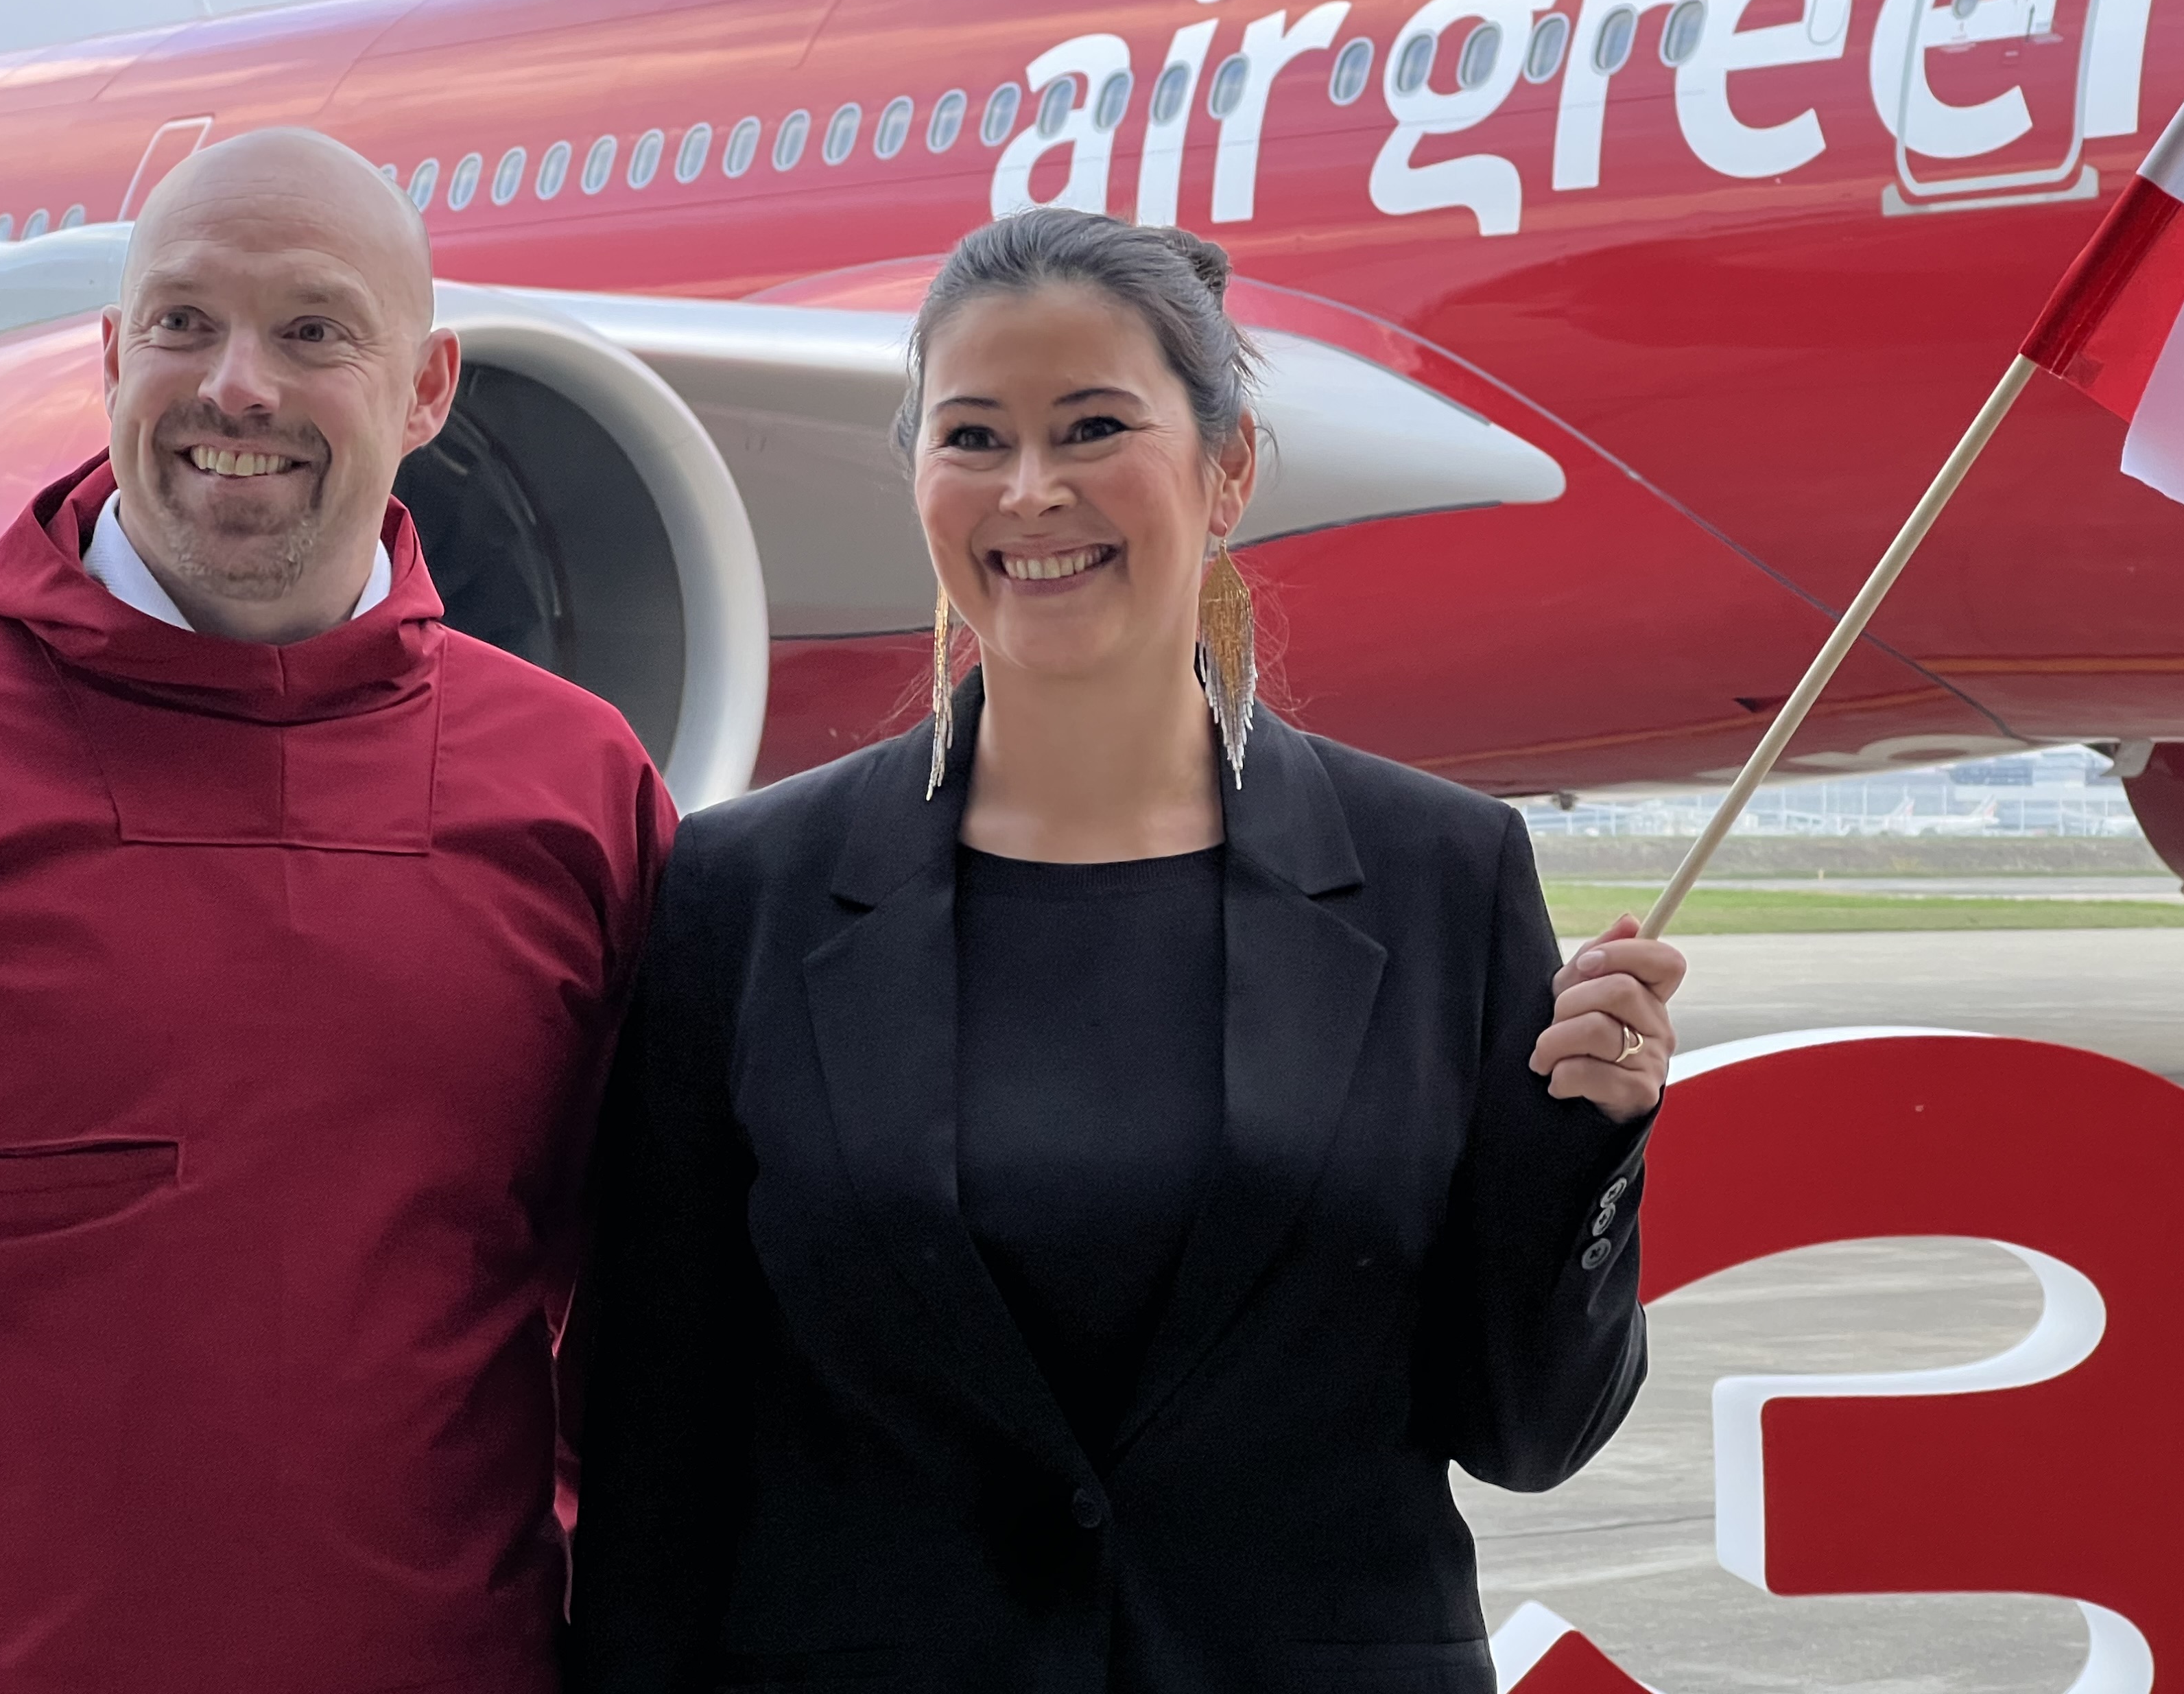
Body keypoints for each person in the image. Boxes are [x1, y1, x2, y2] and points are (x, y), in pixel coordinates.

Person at [566, 208, 1681, 1694]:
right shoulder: (739, 892)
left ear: (1230, 473)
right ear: (916, 479)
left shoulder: (1439, 877)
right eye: (973, 437)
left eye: (1095, 427)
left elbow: (1529, 1434)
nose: (1032, 491)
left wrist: (1585, 1145)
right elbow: (657, 1446)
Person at [0, 129, 674, 1694]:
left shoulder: (576, 792)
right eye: (182, 323)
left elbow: (670, 1318)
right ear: (112, 359)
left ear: (430, 386)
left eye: (314, 329)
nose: (234, 386)